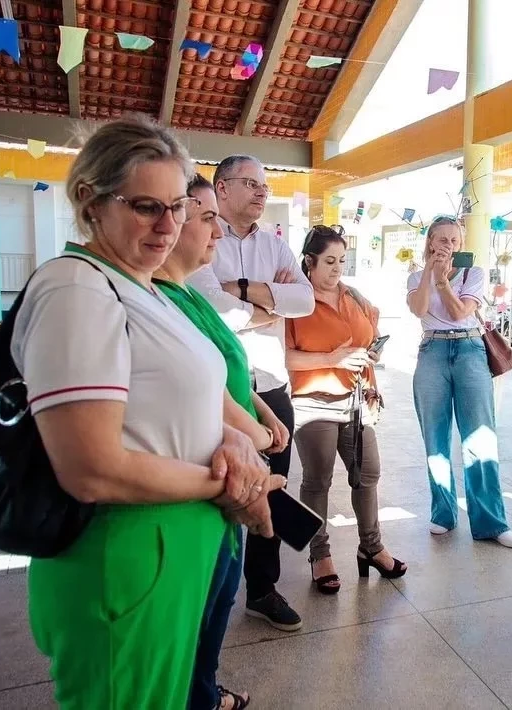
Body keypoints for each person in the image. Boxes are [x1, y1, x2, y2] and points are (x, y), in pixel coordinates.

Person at [14, 115, 284, 709]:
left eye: (177, 207)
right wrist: (229, 482)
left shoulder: (145, 288)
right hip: (126, 561)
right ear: (90, 200)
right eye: (145, 207)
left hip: (175, 551)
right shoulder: (78, 289)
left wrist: (240, 444)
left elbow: (194, 401)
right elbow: (93, 469)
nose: (168, 226)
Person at [154, 173, 291, 710]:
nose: (216, 232)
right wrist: (253, 432)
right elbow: (200, 386)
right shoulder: (163, 298)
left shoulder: (190, 294)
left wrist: (256, 410)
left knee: (214, 607)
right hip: (206, 473)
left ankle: (205, 696)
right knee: (197, 614)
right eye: (206, 217)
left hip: (232, 461)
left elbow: (221, 362)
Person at [188, 155, 315, 632]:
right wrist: (267, 307)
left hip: (272, 386)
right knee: (224, 486)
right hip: (223, 387)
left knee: (273, 490)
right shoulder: (202, 236)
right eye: (250, 183)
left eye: (265, 184)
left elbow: (304, 300)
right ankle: (209, 588)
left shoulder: (276, 245)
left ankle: (262, 588)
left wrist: (243, 287)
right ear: (221, 189)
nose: (262, 193)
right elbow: (214, 311)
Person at [285, 225, 407, 595]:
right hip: (313, 403)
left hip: (355, 402)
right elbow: (284, 356)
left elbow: (371, 340)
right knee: (318, 479)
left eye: (342, 260)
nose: (337, 269)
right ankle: (319, 555)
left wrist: (371, 361)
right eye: (329, 261)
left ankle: (371, 547)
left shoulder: (353, 296)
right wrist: (332, 358)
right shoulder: (295, 301)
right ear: (309, 261)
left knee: (367, 474)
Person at [405, 215, 512, 549]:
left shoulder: (475, 274)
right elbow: (419, 309)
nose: (449, 246)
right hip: (432, 350)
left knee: (480, 436)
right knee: (435, 437)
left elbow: (460, 313)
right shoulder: (416, 276)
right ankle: (443, 512)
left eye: (455, 240)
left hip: (470, 348)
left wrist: (444, 282)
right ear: (430, 241)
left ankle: (491, 522)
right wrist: (431, 273)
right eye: (442, 239)